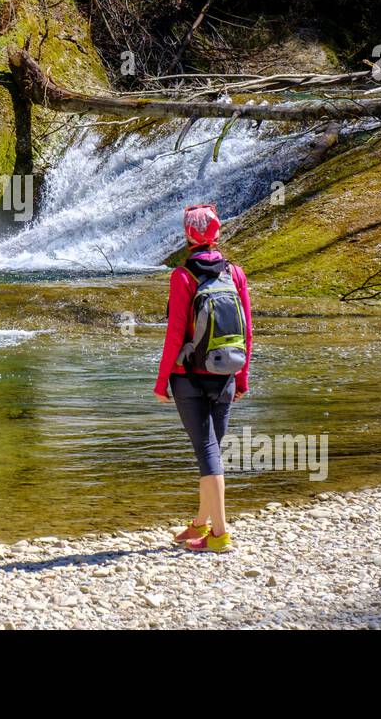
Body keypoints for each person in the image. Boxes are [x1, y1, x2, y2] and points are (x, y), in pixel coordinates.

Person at [153, 203, 252, 553]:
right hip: (226, 372)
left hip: (189, 376)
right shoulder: (235, 273)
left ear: (188, 235)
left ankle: (220, 533)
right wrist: (242, 378)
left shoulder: (183, 276)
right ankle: (200, 523)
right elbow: (248, 330)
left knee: (207, 451)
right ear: (217, 233)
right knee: (210, 451)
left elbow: (175, 331)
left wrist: (162, 379)